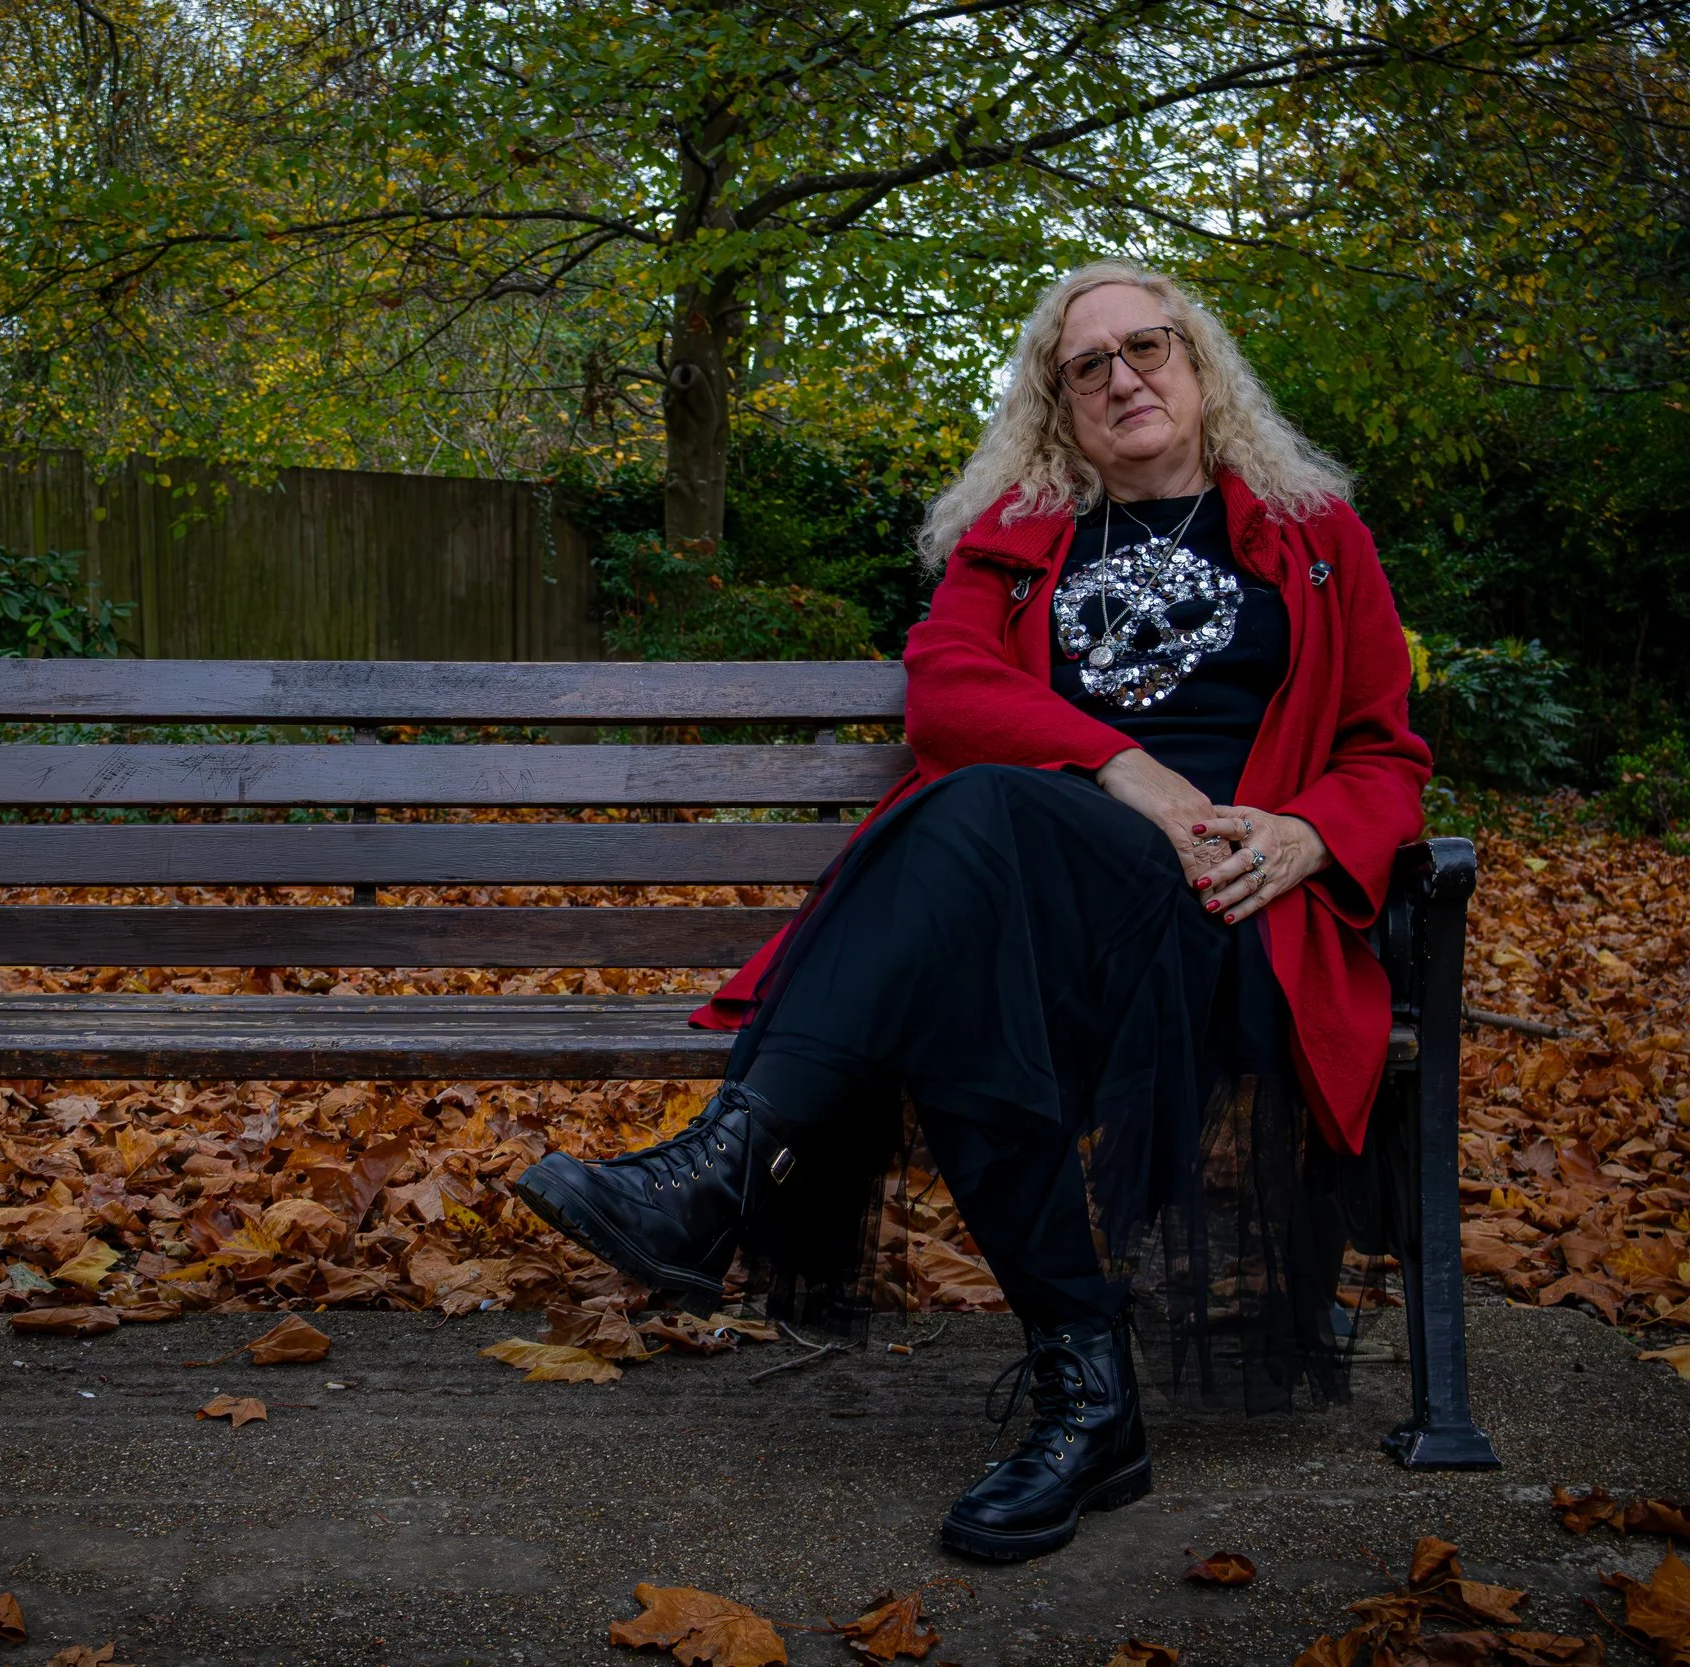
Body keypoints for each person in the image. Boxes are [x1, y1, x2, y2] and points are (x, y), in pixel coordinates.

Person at [519, 259, 1428, 1561]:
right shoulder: (1023, 536)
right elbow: (944, 686)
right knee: (963, 942)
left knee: (976, 818)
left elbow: (1384, 753)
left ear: (1199, 363)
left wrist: (1306, 833)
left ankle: (724, 1169)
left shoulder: (1312, 534)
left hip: (1225, 915)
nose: (1122, 377)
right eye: (1086, 364)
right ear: (1058, 403)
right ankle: (1089, 1396)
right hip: (1045, 923)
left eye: (1147, 346)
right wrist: (1123, 766)